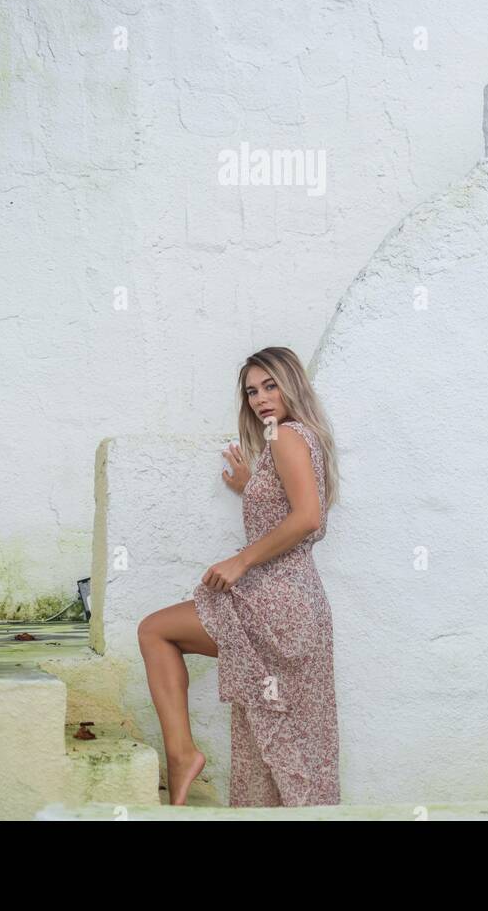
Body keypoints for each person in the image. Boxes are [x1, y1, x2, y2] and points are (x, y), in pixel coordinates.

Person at [137, 345, 341, 807]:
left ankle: (182, 754)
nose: (261, 398)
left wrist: (240, 561)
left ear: (293, 384)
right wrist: (253, 485)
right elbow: (292, 508)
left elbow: (308, 517)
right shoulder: (295, 440)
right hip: (298, 604)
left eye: (270, 385)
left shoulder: (288, 437)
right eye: (252, 391)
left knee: (154, 631)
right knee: (283, 731)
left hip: (276, 601)